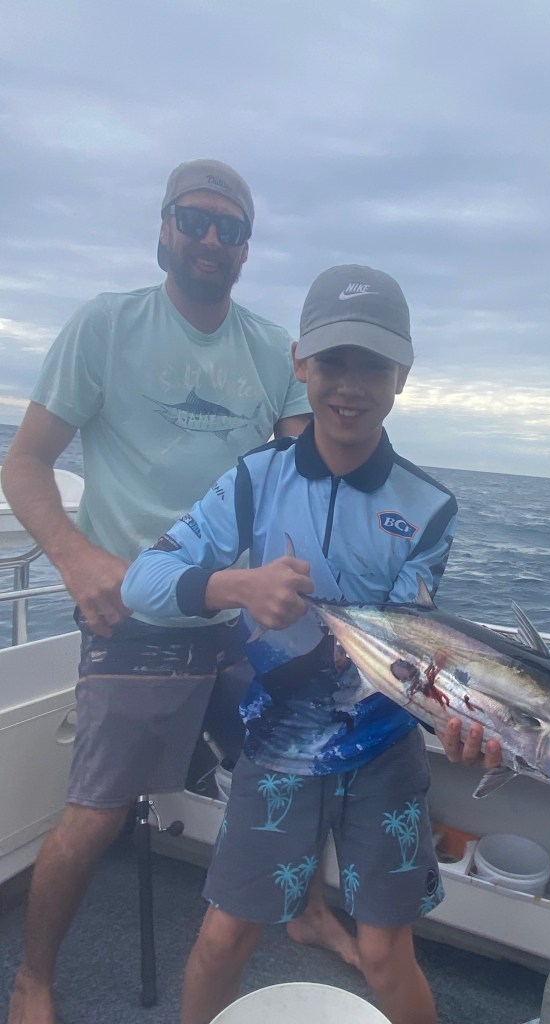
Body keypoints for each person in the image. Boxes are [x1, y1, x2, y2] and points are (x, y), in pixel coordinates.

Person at [1, 158, 358, 1024]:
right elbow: (26, 463)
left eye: (229, 228)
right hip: (135, 610)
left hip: (241, 613)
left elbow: (304, 475)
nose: (210, 239)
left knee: (307, 754)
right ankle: (33, 978)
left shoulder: (271, 351)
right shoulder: (106, 325)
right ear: (163, 228)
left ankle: (307, 908)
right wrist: (76, 561)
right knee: (95, 813)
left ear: (246, 248)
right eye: (193, 220)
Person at [121, 263, 503, 1024]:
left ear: (403, 375)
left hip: (384, 752)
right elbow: (142, 579)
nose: (350, 386)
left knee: (387, 955)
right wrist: (238, 586)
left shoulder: (429, 507)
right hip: (277, 744)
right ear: (300, 364)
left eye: (374, 365)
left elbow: (408, 648)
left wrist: (462, 724)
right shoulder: (253, 481)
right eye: (333, 361)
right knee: (224, 938)